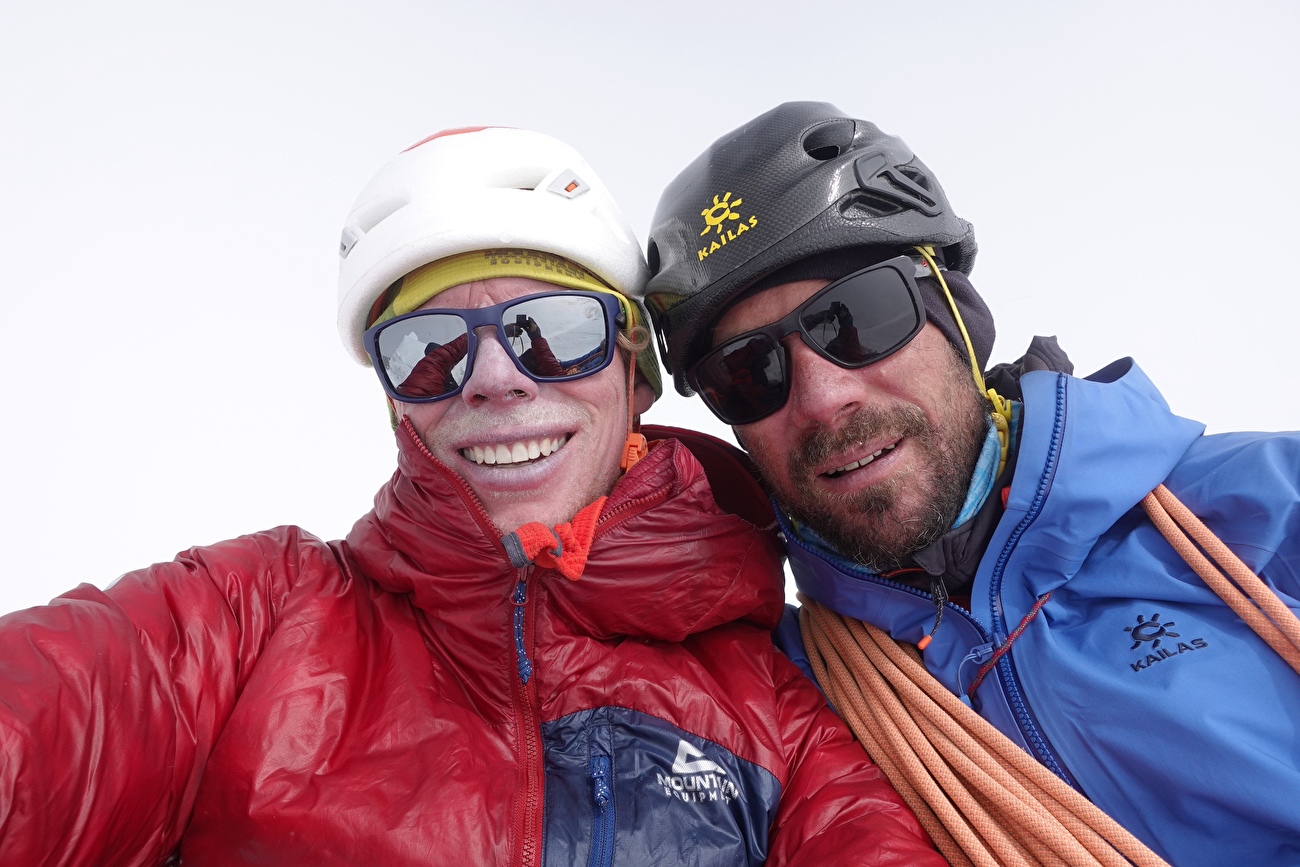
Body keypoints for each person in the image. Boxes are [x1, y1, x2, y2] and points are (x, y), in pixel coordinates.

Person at [0, 125, 944, 866]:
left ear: (634, 373)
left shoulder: (780, 707)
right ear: (395, 405)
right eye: (431, 349)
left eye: (551, 329)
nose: (493, 379)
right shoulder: (253, 618)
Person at [644, 102, 1300, 866]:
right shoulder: (777, 700)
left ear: (955, 311)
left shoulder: (1265, 506)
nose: (824, 398)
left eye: (854, 319)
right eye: (748, 372)